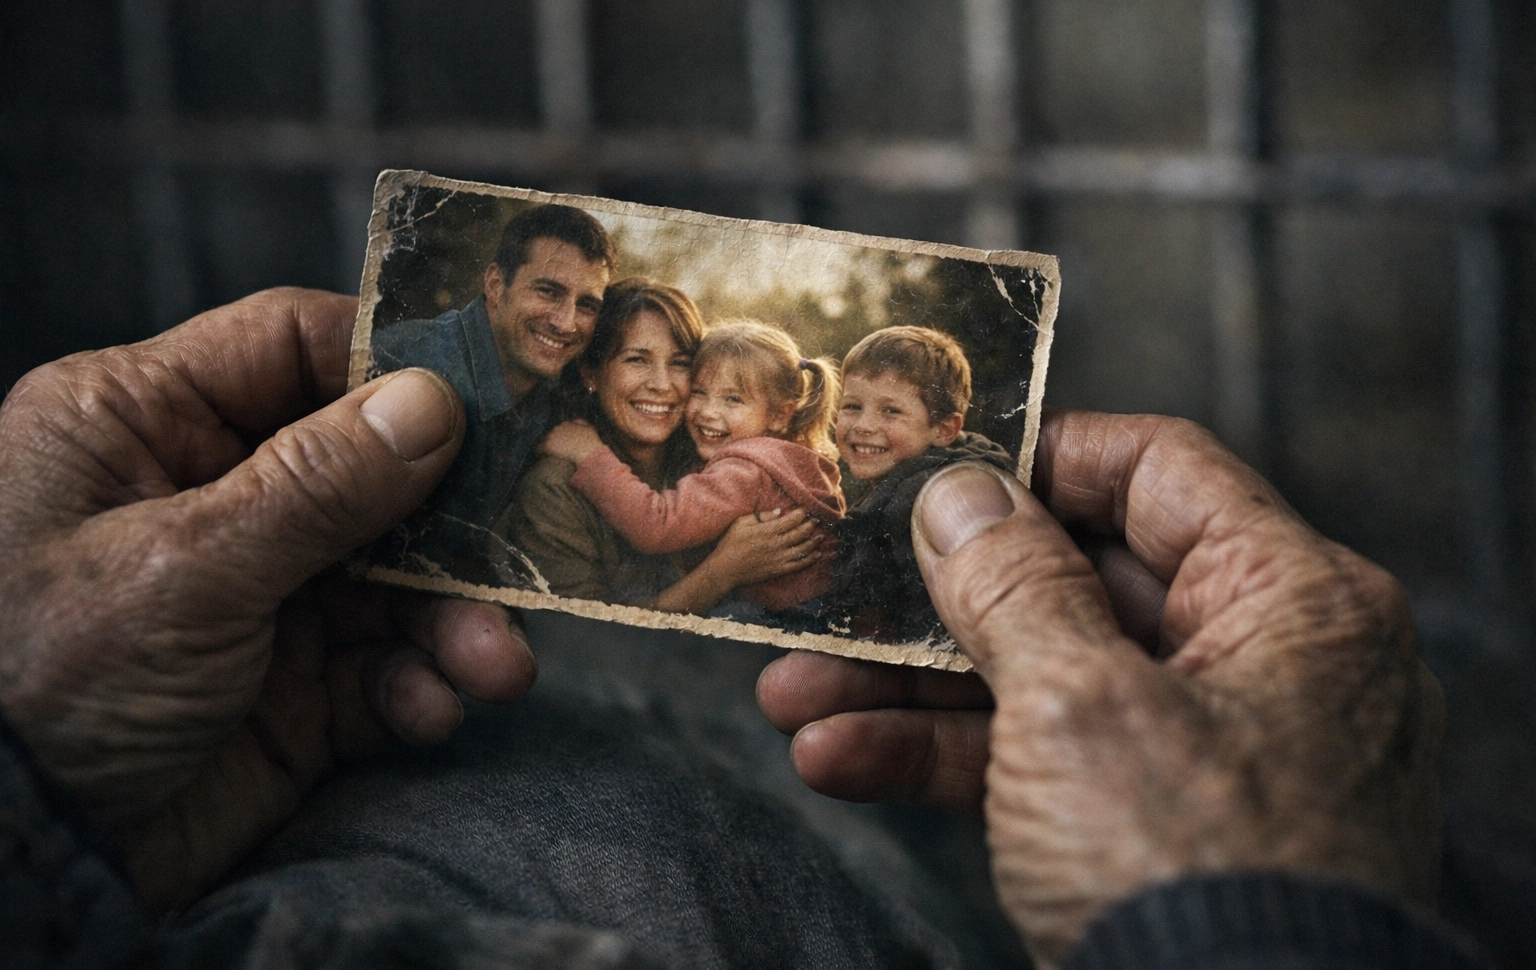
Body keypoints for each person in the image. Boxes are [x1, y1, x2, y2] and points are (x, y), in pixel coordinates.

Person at [0, 287, 1500, 968]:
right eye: (662, 375)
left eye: (717, 386)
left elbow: (679, 541)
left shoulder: (762, 472)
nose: (691, 404)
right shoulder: (731, 462)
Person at [507, 279, 826, 613]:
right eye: (637, 360)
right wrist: (721, 573)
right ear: (591, 372)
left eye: (679, 363)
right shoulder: (554, 489)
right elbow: (587, 636)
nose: (660, 384)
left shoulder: (714, 458)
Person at [371, 203, 615, 531]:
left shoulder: (546, 387)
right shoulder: (418, 368)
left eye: (586, 305)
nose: (567, 323)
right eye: (549, 291)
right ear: (496, 285)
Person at [824, 325, 1014, 640]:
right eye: (852, 406)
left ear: (943, 430)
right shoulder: (901, 482)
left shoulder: (916, 502)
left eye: (891, 411)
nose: (864, 425)